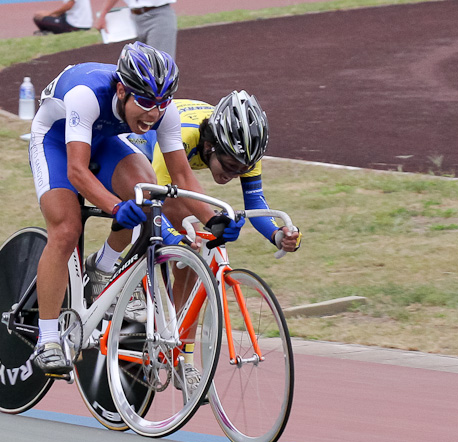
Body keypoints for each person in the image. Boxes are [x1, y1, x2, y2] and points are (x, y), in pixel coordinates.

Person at [28, 42, 244, 374]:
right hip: (56, 142)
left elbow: (182, 175)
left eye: (161, 104)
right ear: (121, 90)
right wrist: (115, 208)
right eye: (144, 102)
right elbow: (76, 171)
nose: (153, 114)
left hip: (103, 141)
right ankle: (48, 340)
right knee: (67, 229)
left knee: (148, 194)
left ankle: (102, 268)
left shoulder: (163, 112)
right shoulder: (86, 96)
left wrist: (213, 216)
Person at [126, 91, 302, 254]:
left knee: (191, 255)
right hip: (141, 146)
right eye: (230, 166)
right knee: (184, 232)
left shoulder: (245, 152)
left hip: (184, 131)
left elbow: (254, 201)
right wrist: (173, 237)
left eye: (243, 170)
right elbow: (153, 200)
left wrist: (277, 235)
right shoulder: (184, 139)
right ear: (210, 146)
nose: (233, 175)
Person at [94, 0, 177, 59]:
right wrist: (103, 14)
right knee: (139, 66)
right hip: (134, 18)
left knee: (160, 65)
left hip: (159, 15)